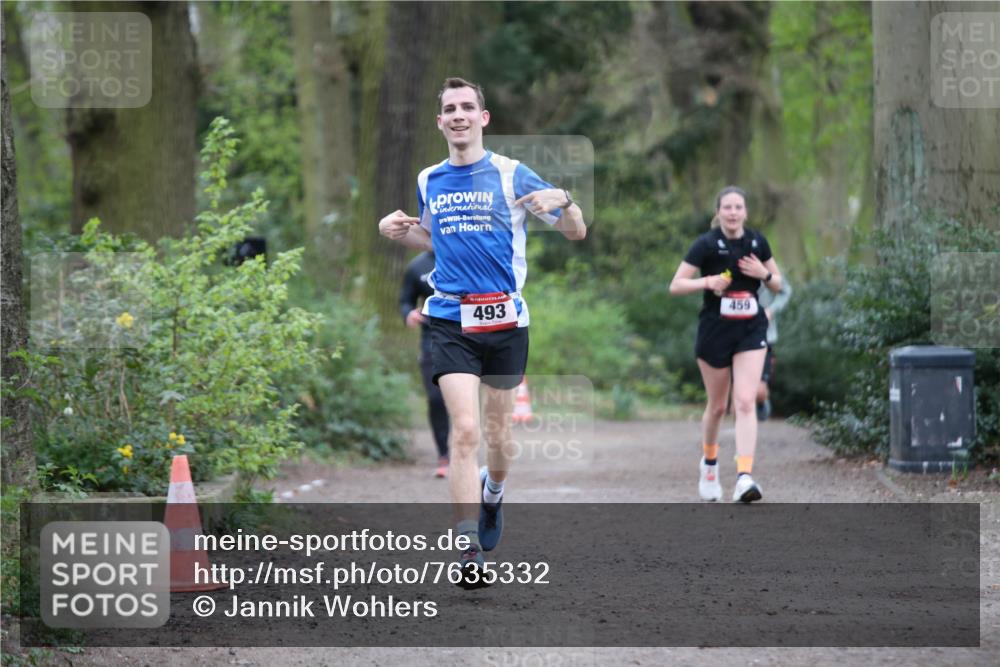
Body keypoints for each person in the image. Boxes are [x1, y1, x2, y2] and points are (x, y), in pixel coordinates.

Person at [378, 77, 586, 587]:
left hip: (506, 321)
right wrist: (398, 232)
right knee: (465, 431)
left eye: (467, 107)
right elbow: (433, 240)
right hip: (450, 319)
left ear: (483, 118)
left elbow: (575, 231)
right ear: (440, 121)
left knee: (498, 437)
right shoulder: (429, 178)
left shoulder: (511, 174)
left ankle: (493, 494)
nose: (459, 115)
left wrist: (567, 201)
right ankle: (468, 548)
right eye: (450, 108)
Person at [668, 186, 783, 503]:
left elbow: (778, 283)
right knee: (718, 406)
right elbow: (676, 285)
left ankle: (744, 477)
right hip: (715, 330)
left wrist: (763, 274)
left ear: (746, 212)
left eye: (738, 207)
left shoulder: (757, 242)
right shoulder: (706, 244)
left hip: (751, 329)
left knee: (745, 402)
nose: (733, 212)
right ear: (718, 212)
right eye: (727, 207)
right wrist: (708, 282)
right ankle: (709, 464)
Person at [399, 251, 450, 477]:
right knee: (436, 397)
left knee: (463, 397)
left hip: (467, 336)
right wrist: (408, 314)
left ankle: (466, 445)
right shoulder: (417, 266)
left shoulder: (463, 252)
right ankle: (443, 453)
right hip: (432, 339)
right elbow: (405, 301)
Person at [755, 278, 792, 421]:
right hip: (734, 334)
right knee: (738, 390)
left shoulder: (764, 268)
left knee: (759, 392)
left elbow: (785, 290)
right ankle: (742, 425)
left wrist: (771, 310)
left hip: (764, 335)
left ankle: (761, 400)